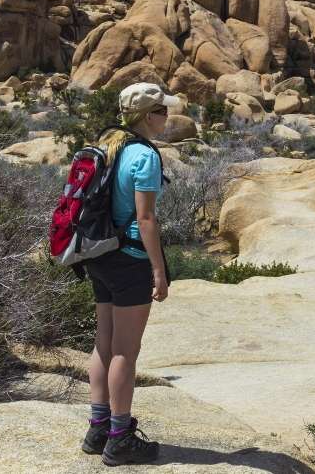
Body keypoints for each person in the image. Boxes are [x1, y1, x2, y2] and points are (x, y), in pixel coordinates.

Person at [79, 82, 175, 466]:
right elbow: (146, 218)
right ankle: (119, 438)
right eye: (163, 111)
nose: (167, 117)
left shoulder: (107, 143)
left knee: (104, 341)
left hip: (99, 253)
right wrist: (158, 271)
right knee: (125, 351)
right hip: (130, 257)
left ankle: (98, 427)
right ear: (148, 116)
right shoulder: (144, 156)